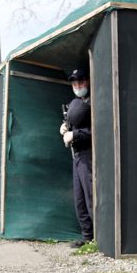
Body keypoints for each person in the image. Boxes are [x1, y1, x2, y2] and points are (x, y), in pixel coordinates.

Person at [60, 68, 93, 248]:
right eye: (74, 83)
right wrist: (65, 128)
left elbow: (99, 129)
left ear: (87, 81)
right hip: (78, 156)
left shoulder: (95, 101)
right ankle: (88, 237)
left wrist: (76, 134)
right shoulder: (78, 102)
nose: (78, 86)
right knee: (79, 199)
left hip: (89, 155)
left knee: (90, 197)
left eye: (80, 82)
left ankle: (100, 239)